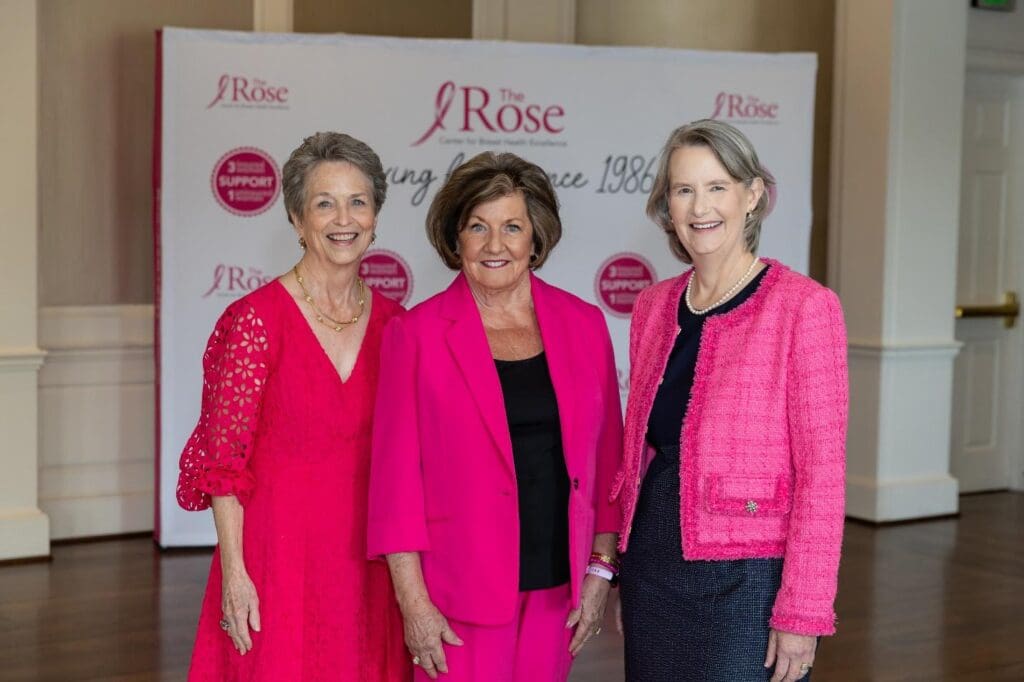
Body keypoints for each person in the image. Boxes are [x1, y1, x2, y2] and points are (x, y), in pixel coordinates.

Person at [366, 152, 623, 682]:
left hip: (559, 588)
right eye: (477, 227)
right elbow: (395, 485)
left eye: (512, 227)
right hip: (457, 593)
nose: (494, 245)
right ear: (455, 238)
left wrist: (600, 572)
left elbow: (607, 463)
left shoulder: (585, 324)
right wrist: (413, 603)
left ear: (536, 237)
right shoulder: (415, 335)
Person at [613, 119, 847, 682]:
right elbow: (640, 452)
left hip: (751, 578)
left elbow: (822, 474)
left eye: (717, 186)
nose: (700, 207)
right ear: (667, 205)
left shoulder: (804, 307)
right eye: (683, 189)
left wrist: (803, 611)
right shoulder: (653, 306)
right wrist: (621, 568)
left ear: (753, 195)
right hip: (653, 561)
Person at [176, 131, 410, 681]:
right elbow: (223, 467)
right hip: (277, 559)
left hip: (370, 561)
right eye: (324, 203)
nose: (343, 219)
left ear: (376, 216)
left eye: (358, 202)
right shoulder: (255, 322)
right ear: (297, 219)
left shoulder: (398, 326)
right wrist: (235, 573)